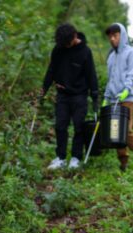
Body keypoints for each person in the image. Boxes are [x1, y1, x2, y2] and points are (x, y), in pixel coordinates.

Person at [42, 23, 98, 170]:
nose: (66, 46)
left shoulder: (85, 51)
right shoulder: (58, 49)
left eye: (68, 43)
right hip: (62, 95)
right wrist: (43, 90)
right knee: (60, 126)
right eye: (63, 44)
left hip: (80, 95)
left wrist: (95, 96)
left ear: (75, 36)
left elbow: (91, 75)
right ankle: (60, 158)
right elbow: (51, 71)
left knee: (79, 127)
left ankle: (75, 158)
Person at [103, 23, 133, 171]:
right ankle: (123, 162)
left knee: (126, 130)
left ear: (122, 35)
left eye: (115, 35)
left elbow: (132, 73)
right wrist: (106, 97)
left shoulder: (131, 52)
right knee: (116, 131)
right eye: (110, 36)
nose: (112, 39)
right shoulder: (111, 56)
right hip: (114, 99)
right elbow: (110, 79)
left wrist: (126, 90)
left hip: (127, 98)